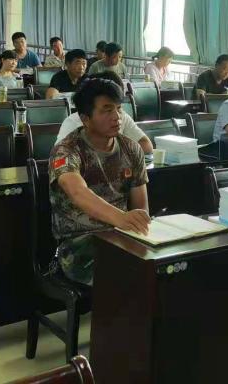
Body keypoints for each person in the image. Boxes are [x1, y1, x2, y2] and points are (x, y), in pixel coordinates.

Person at [49, 76, 151, 284]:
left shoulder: (131, 149)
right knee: (127, 277)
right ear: (85, 119)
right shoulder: (66, 150)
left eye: (119, 109)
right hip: (78, 244)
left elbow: (141, 207)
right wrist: (121, 218)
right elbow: (77, 192)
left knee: (165, 269)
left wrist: (137, 224)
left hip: (121, 236)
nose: (117, 117)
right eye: (106, 110)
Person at [58, 71, 154, 154]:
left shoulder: (122, 117)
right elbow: (61, 157)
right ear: (85, 119)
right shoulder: (72, 124)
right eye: (108, 110)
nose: (117, 116)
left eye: (118, 107)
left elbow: (146, 145)